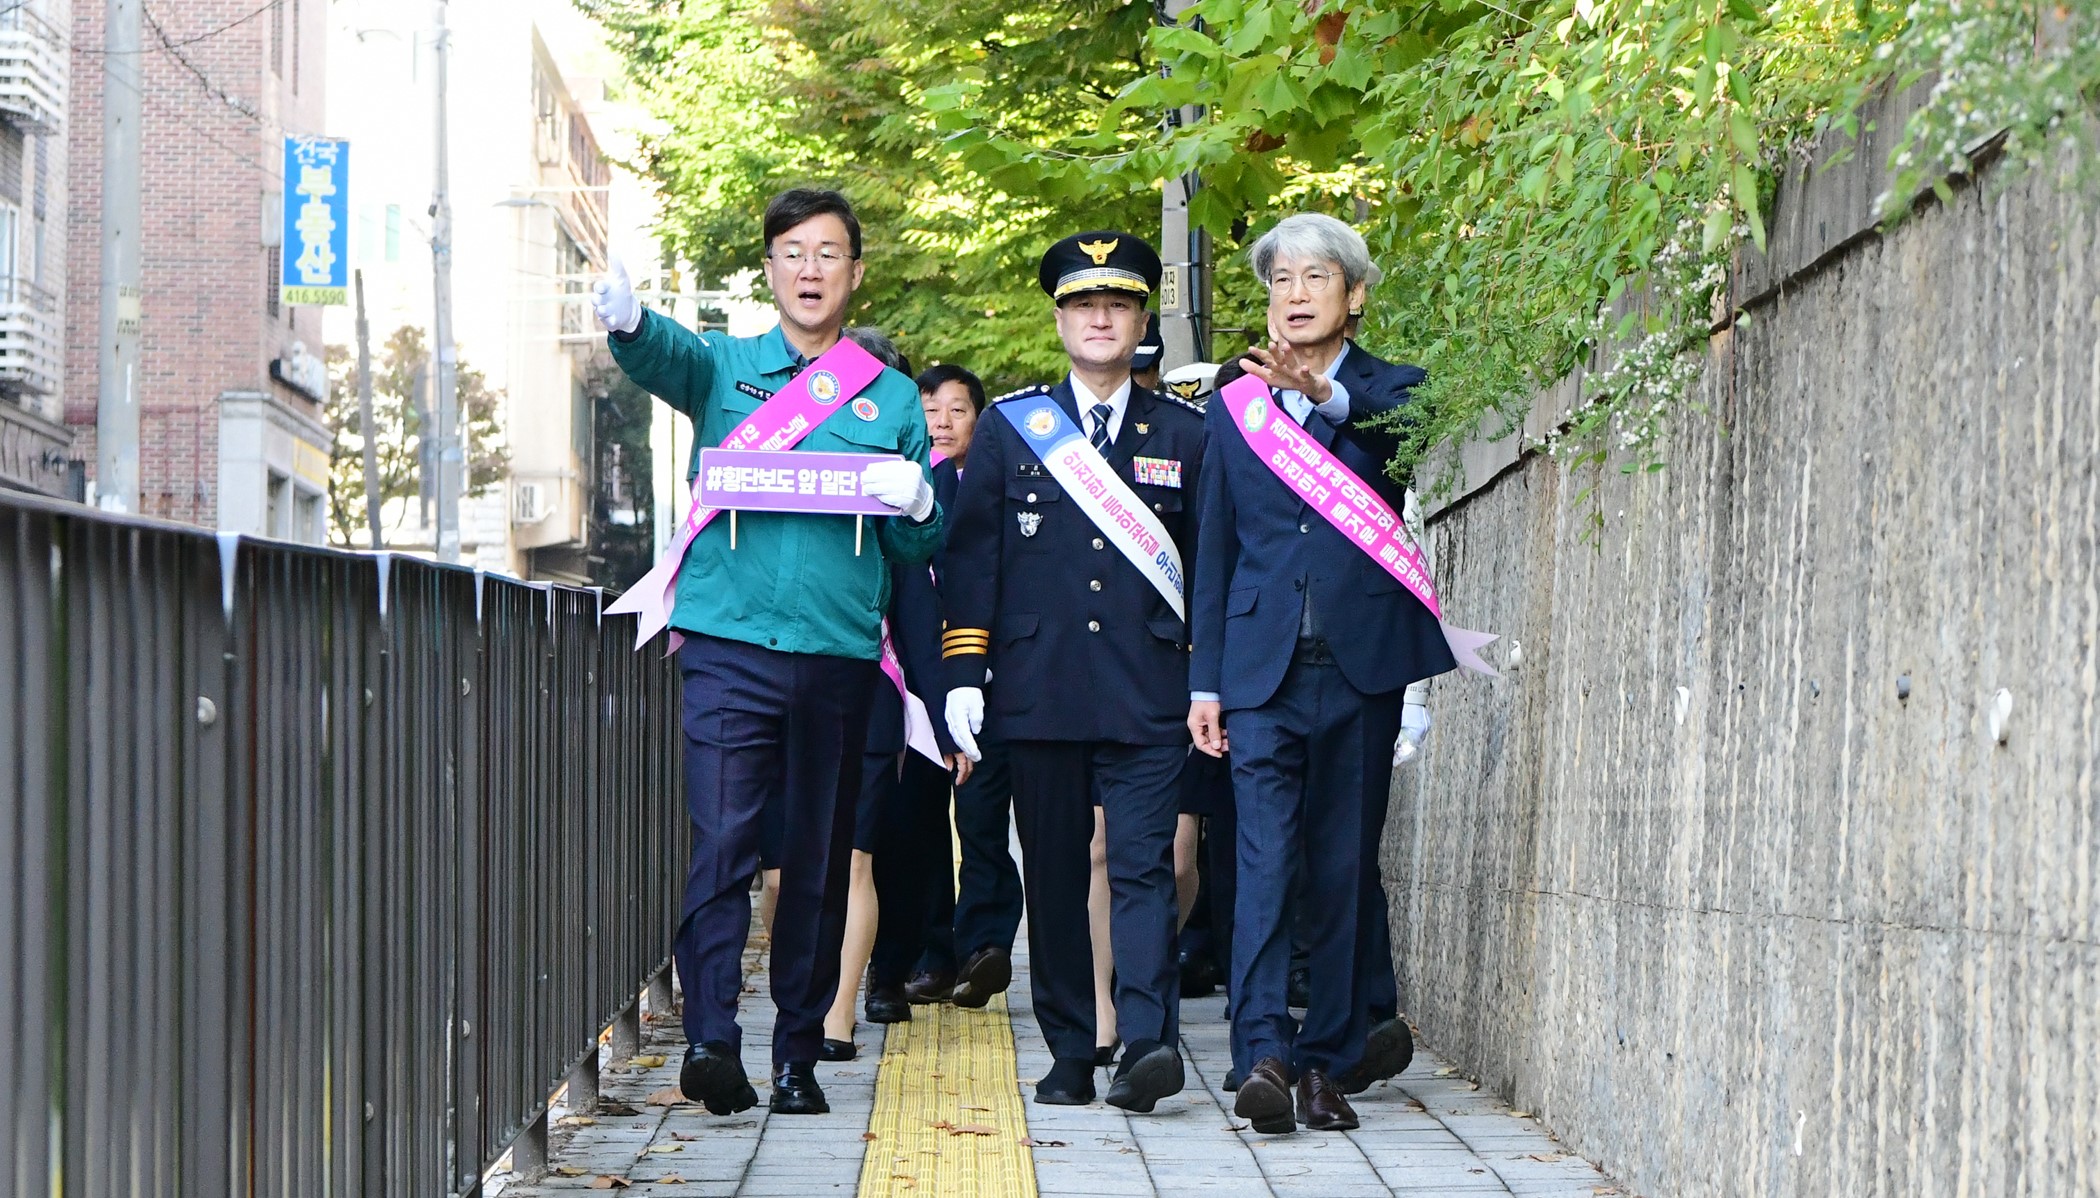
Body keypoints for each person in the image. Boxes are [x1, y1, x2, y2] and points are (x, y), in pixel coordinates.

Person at [591, 188, 943, 1119]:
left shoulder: (892, 397)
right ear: (770, 269)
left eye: (828, 253)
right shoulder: (728, 366)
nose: (809, 270)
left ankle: (797, 1054)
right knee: (723, 845)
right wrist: (628, 322)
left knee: (817, 862)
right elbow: (665, 354)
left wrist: (918, 503)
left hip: (837, 655)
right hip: (728, 646)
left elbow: (918, 543)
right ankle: (712, 1040)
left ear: (855, 272)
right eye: (792, 252)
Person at [1187, 213, 1455, 1134]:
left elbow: (1399, 438)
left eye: (1314, 278)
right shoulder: (1234, 408)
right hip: (1260, 671)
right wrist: (1205, 684)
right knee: (1260, 864)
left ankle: (1327, 1063)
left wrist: (1325, 397)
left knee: (1341, 866)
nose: (1294, 295)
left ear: (1355, 294)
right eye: (1281, 281)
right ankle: (1261, 1052)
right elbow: (1214, 549)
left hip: (1361, 666)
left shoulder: (1393, 388)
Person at [941, 231, 1206, 1111]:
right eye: (1083, 305)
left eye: (1117, 305)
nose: (1100, 319)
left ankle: (1147, 1043)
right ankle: (1069, 1048)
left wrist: (1210, 683)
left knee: (1143, 868)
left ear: (1140, 321)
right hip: (1038, 689)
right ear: (1059, 320)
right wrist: (964, 674)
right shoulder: (1012, 429)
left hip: (1149, 690)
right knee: (1054, 876)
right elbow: (973, 560)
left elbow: (1209, 568)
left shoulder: (1186, 435)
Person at [886, 364, 1033, 1009]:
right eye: (930, 411)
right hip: (925, 682)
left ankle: (984, 947)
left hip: (998, 679)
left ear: (982, 418)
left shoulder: (1010, 484)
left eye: (957, 410)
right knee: (923, 827)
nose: (942, 424)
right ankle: (934, 953)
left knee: (981, 818)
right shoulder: (910, 488)